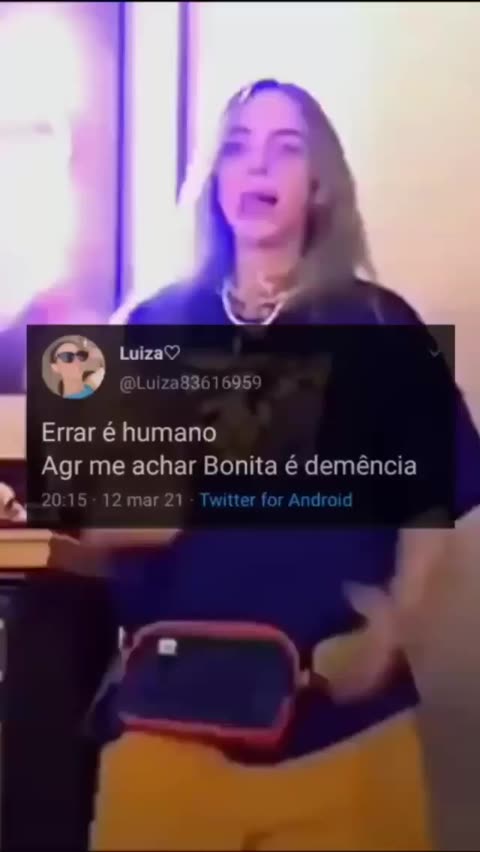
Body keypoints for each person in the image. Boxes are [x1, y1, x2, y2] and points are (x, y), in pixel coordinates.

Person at [91, 79, 480, 851]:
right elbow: (101, 523)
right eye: (237, 148)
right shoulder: (148, 326)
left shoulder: (380, 324)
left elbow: (429, 505)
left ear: (320, 185)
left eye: (285, 147)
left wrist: (393, 626)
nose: (258, 166)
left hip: (345, 737)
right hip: (167, 731)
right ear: (215, 180)